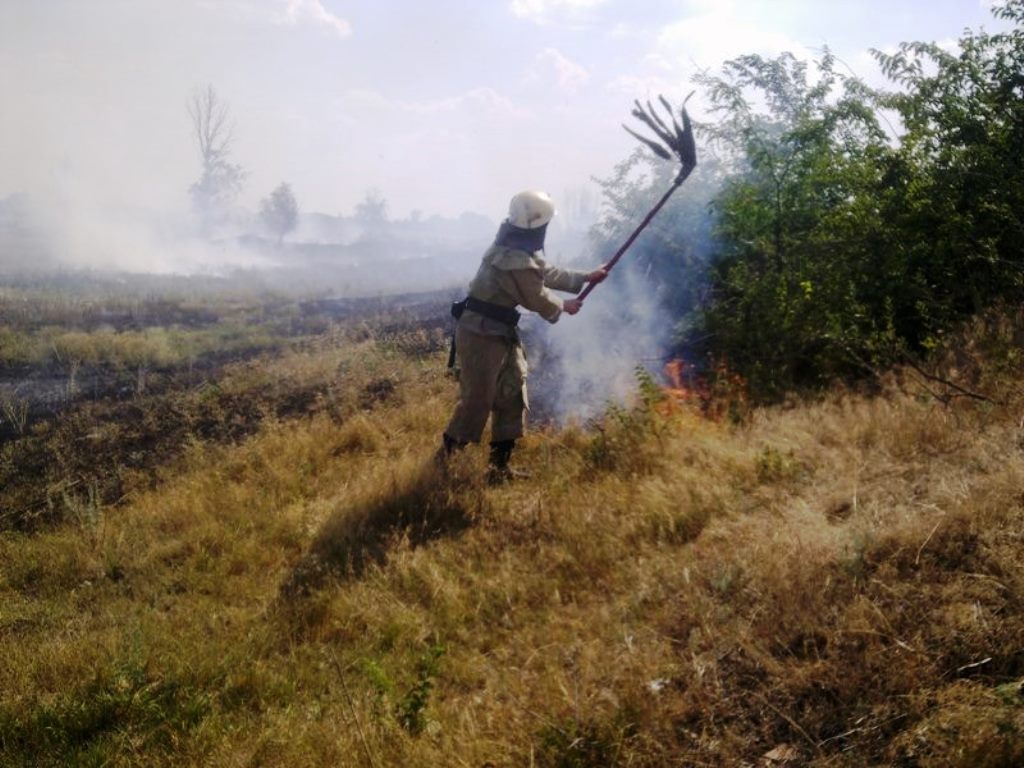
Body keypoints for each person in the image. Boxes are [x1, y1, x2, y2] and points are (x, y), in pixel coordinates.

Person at [441, 190, 608, 482]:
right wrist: (564, 306)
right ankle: (443, 465)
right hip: (480, 334)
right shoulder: (513, 258)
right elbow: (536, 295)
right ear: (536, 225)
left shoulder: (517, 247)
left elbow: (545, 272)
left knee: (512, 394)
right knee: (477, 401)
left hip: (498, 331)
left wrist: (585, 277)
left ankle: (499, 470)